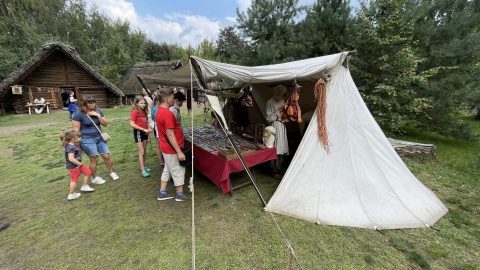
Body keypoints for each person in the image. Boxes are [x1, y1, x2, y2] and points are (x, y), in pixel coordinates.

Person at [72, 95, 119, 184]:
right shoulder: (78, 114)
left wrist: (98, 115)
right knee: (94, 159)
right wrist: (78, 145)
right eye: (90, 103)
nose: (93, 104)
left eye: (94, 102)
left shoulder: (99, 111)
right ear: (84, 104)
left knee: (106, 156)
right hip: (87, 140)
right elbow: (76, 131)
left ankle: (112, 172)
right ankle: (94, 178)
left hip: (99, 137)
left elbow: (105, 124)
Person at [155, 88, 189, 202]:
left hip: (165, 147)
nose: (174, 100)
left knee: (168, 169)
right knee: (178, 169)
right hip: (171, 148)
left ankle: (162, 192)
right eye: (173, 98)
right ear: (167, 99)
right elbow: (170, 134)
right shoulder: (167, 113)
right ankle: (179, 194)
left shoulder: (159, 110)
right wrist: (179, 151)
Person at [60, 129, 95, 200]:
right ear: (73, 139)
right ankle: (71, 194)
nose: (80, 138)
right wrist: (80, 164)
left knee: (88, 172)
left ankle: (85, 186)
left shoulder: (72, 145)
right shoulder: (71, 148)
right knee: (74, 180)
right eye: (79, 137)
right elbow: (71, 159)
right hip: (74, 167)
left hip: (78, 165)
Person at [266, 85, 289, 180]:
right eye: (282, 95)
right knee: (276, 148)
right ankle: (274, 170)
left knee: (282, 148)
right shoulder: (269, 103)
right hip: (275, 126)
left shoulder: (282, 100)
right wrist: (277, 111)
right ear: (278, 94)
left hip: (282, 126)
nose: (283, 97)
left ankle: (279, 168)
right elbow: (268, 119)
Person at [130, 96, 153, 177]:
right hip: (138, 132)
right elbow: (132, 124)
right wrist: (143, 129)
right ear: (136, 103)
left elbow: (146, 122)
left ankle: (143, 166)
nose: (143, 105)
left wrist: (149, 128)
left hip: (145, 132)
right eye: (141, 103)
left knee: (144, 150)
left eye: (144, 103)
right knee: (141, 151)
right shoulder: (135, 112)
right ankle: (143, 170)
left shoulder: (144, 112)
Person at [151, 92, 165, 167]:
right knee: (158, 145)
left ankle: (162, 160)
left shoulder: (157, 108)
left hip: (159, 128)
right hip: (157, 129)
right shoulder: (155, 109)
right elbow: (155, 121)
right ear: (157, 102)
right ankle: (161, 162)